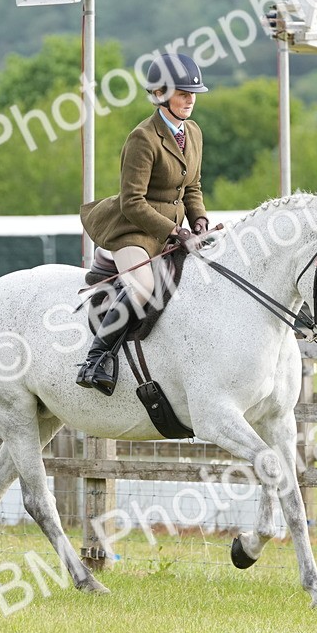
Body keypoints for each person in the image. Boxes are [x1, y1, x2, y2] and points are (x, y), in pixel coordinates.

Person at [76, 53, 212, 395]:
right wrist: (174, 231)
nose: (190, 99)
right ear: (160, 94)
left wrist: (199, 222)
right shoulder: (143, 138)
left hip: (173, 229)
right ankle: (96, 360)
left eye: (192, 93)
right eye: (182, 93)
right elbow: (132, 202)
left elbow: (192, 187)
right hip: (133, 229)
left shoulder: (193, 132)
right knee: (142, 287)